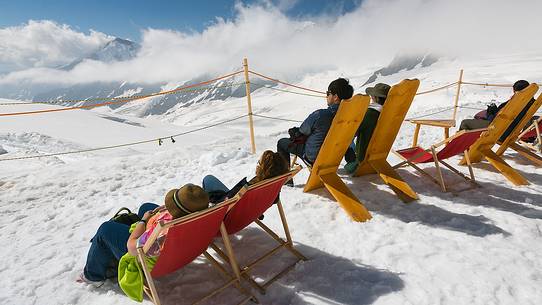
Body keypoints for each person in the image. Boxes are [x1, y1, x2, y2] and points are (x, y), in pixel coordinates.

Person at [78, 183, 209, 287]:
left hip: (149, 259)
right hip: (184, 247)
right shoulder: (204, 218)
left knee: (105, 229)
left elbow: (132, 247)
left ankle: (93, 276)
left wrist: (143, 221)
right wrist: (168, 209)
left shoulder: (162, 233)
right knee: (146, 207)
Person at [276, 78, 355, 170]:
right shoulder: (351, 116)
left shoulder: (321, 115)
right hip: (335, 156)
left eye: (328, 93)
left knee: (282, 143)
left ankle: (287, 182)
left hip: (314, 157)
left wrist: (295, 132)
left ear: (335, 97)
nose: (326, 96)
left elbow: (303, 130)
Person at [459, 80, 535, 142]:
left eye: (514, 91)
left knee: (465, 123)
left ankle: (460, 147)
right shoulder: (531, 102)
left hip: (498, 131)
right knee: (479, 119)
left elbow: (498, 118)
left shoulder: (515, 103)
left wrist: (492, 113)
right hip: (507, 130)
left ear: (517, 91)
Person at [202, 150, 289, 201]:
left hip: (226, 213)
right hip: (240, 206)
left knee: (207, 179)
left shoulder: (251, 188)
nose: (257, 165)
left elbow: (228, 201)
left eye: (259, 163)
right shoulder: (271, 186)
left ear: (264, 169)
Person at [344, 83, 391, 173]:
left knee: (348, 164)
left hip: (362, 160)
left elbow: (352, 133)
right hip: (379, 156)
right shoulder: (388, 113)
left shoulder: (370, 113)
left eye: (372, 96)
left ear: (376, 98)